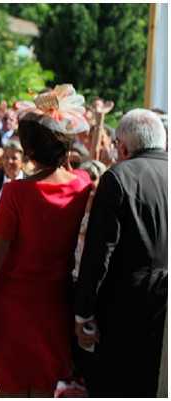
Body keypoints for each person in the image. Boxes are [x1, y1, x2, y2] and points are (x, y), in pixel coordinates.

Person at [0, 85, 93, 396]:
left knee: (13, 388)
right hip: (56, 302)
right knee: (49, 387)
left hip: (14, 304)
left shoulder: (16, 193)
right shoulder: (83, 184)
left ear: (29, 152)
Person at [74, 108, 168, 397]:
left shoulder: (118, 177)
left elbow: (99, 251)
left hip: (126, 307)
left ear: (123, 147)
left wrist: (83, 313)